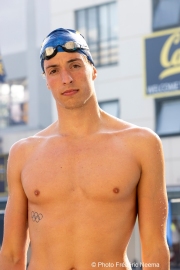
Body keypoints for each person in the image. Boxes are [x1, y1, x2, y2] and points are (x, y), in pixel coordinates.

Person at [0, 28, 170, 270]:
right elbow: (11, 254)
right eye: (54, 71)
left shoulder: (141, 144)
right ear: (46, 81)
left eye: (75, 65)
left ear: (93, 69)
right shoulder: (24, 153)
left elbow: (154, 249)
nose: (66, 78)